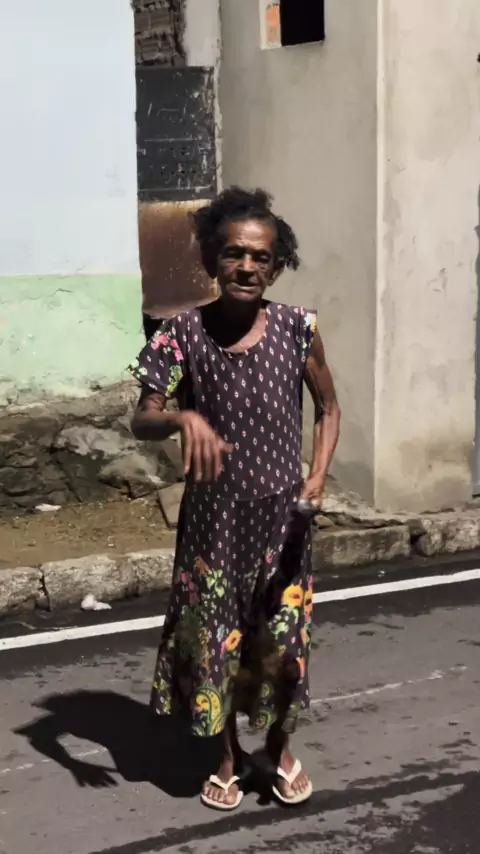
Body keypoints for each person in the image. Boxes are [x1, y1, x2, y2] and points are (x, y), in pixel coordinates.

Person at [128, 187, 340, 811]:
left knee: (280, 643)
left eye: (260, 258)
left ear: (275, 268)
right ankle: (225, 758)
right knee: (214, 641)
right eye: (234, 254)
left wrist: (318, 474)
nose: (246, 267)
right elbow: (142, 417)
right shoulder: (181, 334)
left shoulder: (299, 330)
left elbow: (329, 409)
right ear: (211, 260)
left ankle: (276, 750)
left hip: (283, 523)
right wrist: (182, 418)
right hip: (213, 528)